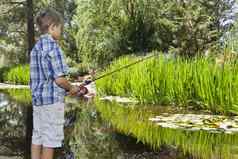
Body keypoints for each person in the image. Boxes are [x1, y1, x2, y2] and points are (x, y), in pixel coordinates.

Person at [30, 8, 86, 159]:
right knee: (50, 140)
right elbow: (59, 80)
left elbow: (45, 80)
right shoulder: (54, 48)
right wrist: (72, 88)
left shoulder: (35, 49)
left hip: (38, 102)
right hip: (52, 104)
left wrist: (66, 89)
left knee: (37, 136)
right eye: (60, 28)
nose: (61, 31)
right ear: (52, 27)